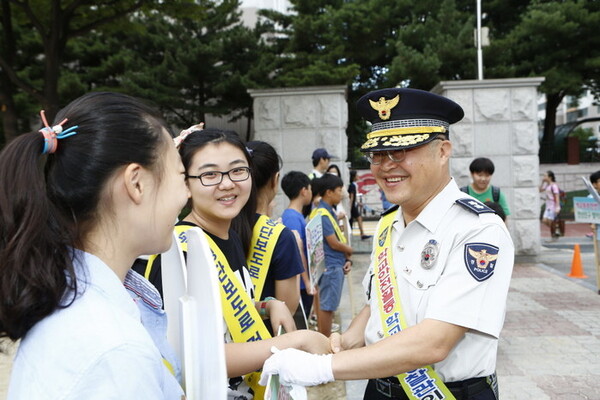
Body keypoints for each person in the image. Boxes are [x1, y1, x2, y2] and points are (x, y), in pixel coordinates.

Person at [260, 87, 514, 400]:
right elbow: (378, 301)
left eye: (401, 151)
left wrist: (326, 367)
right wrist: (346, 339)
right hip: (379, 388)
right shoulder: (388, 223)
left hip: (447, 392)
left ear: (444, 150)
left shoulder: (477, 230)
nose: (386, 165)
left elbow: (435, 342)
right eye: (377, 154)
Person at [0, 92, 189, 398]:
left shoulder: (74, 297)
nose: (186, 194)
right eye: (181, 175)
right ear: (136, 183)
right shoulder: (116, 352)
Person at [134, 128, 329, 399]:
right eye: (209, 174)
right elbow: (188, 357)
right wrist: (291, 342)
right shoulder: (175, 255)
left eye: (238, 171)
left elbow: (224, 314)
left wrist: (267, 304)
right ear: (185, 184)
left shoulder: (231, 238)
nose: (227, 184)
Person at [246, 140, 304, 316]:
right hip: (265, 339)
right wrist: (297, 247)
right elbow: (289, 307)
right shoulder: (281, 237)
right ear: (275, 180)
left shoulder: (222, 225)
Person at [308, 173, 353, 337]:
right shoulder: (323, 214)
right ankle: (325, 342)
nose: (342, 194)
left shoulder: (326, 211)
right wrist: (349, 250)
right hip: (331, 267)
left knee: (325, 305)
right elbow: (333, 242)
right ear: (329, 192)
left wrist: (347, 258)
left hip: (331, 265)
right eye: (339, 190)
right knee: (327, 308)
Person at [281, 171, 316, 324]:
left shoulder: (295, 215)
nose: (311, 193)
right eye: (310, 188)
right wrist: (307, 282)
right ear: (304, 191)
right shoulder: (292, 218)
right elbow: (297, 251)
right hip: (300, 285)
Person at [348, 170, 371, 239]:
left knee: (351, 221)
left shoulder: (353, 185)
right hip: (352, 206)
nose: (358, 176)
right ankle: (362, 234)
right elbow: (351, 197)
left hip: (353, 205)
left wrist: (358, 203)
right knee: (358, 218)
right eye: (356, 175)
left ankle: (351, 235)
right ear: (353, 177)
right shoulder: (352, 185)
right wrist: (350, 207)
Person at [539, 170, 561, 239]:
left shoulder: (554, 186)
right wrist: (542, 182)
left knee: (550, 221)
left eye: (545, 176)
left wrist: (557, 207)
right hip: (547, 205)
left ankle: (554, 234)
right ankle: (556, 229)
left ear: (550, 177)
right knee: (544, 220)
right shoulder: (547, 185)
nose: (544, 177)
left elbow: (557, 196)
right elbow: (539, 190)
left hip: (553, 205)